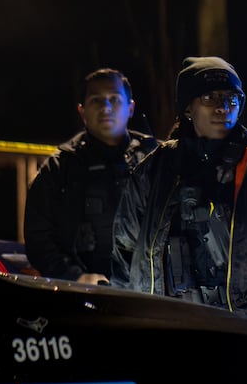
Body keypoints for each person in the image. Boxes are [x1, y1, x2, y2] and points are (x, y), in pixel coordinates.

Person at [110, 56, 247, 327]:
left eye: (232, 99)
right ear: (187, 109)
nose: (222, 108)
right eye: (209, 98)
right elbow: (124, 252)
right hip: (165, 332)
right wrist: (126, 321)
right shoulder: (154, 170)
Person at [24, 68, 157, 283]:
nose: (105, 108)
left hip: (150, 290)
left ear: (130, 107)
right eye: (96, 100)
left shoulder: (156, 159)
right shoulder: (60, 167)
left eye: (114, 99)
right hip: (84, 292)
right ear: (82, 111)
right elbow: (39, 239)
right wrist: (76, 277)